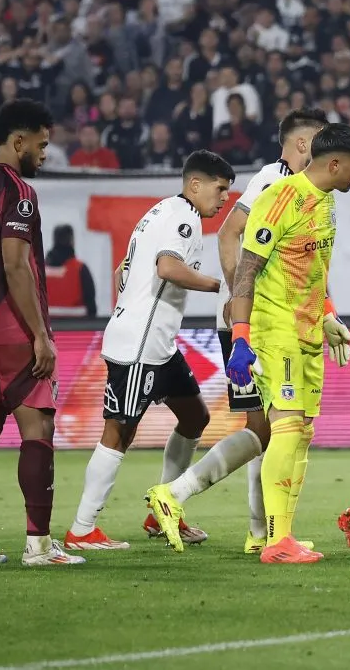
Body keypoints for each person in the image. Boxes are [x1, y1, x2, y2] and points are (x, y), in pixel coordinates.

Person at [145, 124, 350, 562]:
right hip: (273, 328)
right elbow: (247, 270)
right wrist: (241, 339)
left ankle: (278, 535)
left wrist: (328, 315)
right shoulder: (278, 196)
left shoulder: (326, 205)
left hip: (305, 331)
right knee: (281, 429)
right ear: (335, 163)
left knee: (299, 431)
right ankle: (272, 539)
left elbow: (313, 269)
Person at [65, 150, 234, 551]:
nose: (224, 197)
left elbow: (122, 270)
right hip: (139, 343)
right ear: (195, 184)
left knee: (195, 416)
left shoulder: (159, 212)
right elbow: (167, 268)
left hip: (158, 342)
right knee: (119, 431)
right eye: (220, 188)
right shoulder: (183, 218)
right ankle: (82, 528)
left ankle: (164, 510)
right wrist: (219, 287)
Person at [0, 99, 85, 567]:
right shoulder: (19, 191)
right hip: (13, 329)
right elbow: (15, 264)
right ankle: (39, 546)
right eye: (42, 144)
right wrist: (40, 336)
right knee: (38, 429)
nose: (45, 153)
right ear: (18, 142)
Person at [215, 106, 328, 555]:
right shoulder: (273, 181)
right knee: (267, 427)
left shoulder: (314, 190)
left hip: (279, 317)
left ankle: (264, 532)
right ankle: (257, 529)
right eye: (321, 138)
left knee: (271, 427)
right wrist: (238, 301)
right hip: (259, 319)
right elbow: (229, 235)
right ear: (304, 143)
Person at [45, 224, 97, 318]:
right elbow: (91, 305)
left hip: (48, 328)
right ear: (72, 241)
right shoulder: (80, 268)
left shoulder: (40, 269)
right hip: (78, 329)